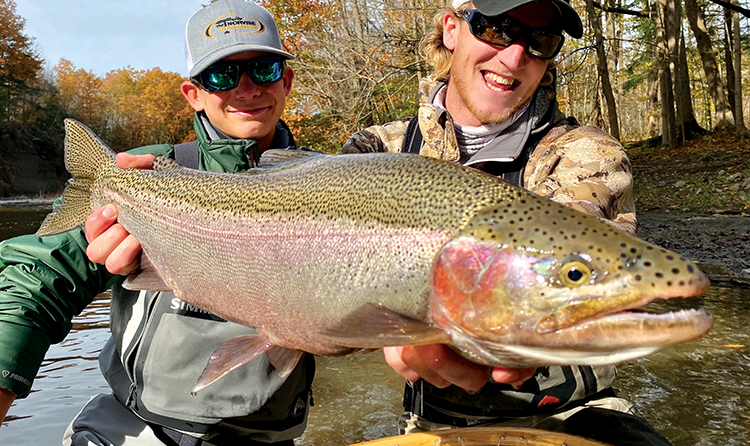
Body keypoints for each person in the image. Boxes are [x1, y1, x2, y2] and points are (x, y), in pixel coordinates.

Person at [340, 0, 672, 445]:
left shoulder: (587, 155)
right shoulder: (375, 152)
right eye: (498, 29)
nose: (515, 57)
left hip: (575, 416)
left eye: (540, 41)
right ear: (453, 30)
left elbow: (570, 277)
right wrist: (388, 329)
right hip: (433, 421)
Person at [0, 1, 315, 444]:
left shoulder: (326, 181)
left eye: (262, 69)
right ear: (194, 94)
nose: (246, 89)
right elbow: (38, 276)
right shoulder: (144, 175)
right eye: (223, 75)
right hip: (135, 431)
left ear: (285, 81)